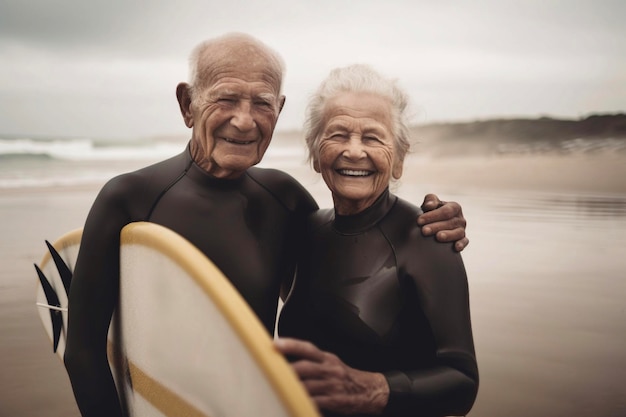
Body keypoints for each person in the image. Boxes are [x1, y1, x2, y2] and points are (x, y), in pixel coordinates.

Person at [63, 33, 469, 417]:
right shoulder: (128, 199)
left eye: (261, 103)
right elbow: (83, 353)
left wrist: (434, 222)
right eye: (226, 99)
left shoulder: (285, 201)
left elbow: (354, 246)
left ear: (279, 109)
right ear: (188, 104)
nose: (244, 121)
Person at [276, 64, 478, 416]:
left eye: (372, 137)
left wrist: (374, 389)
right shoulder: (303, 230)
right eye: (338, 134)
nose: (354, 151)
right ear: (314, 152)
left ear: (398, 159)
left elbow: (463, 383)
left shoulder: (427, 239)